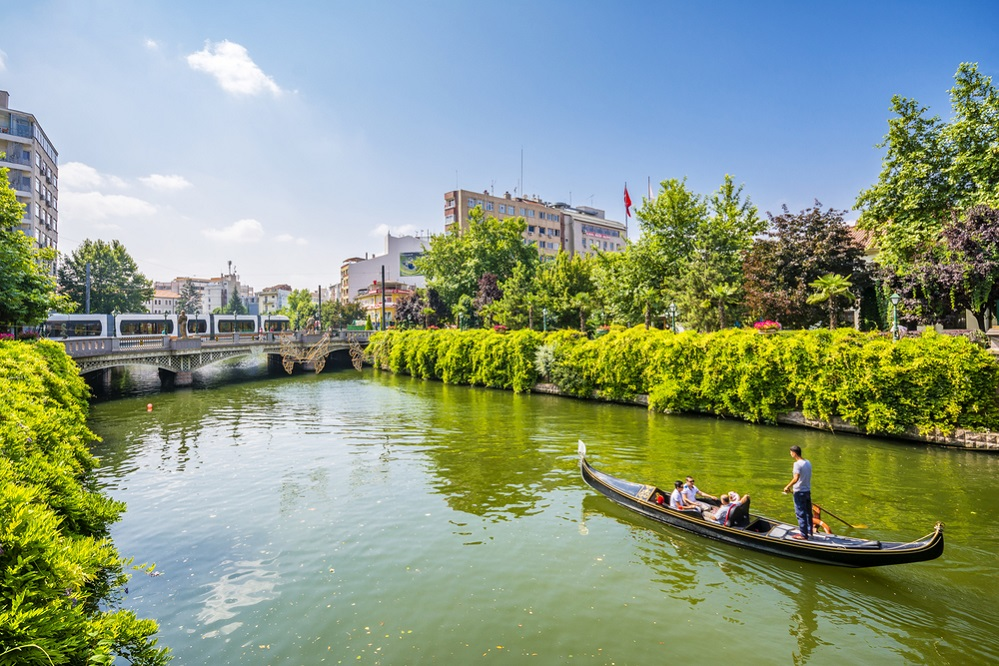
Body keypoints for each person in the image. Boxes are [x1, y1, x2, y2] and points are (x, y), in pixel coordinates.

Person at [783, 445, 813, 540]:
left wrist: (787, 486)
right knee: (808, 512)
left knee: (800, 513)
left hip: (799, 492)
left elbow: (796, 478)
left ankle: (803, 535)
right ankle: (809, 531)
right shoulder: (808, 462)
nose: (790, 454)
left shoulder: (797, 464)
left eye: (791, 452)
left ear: (794, 453)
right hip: (807, 491)